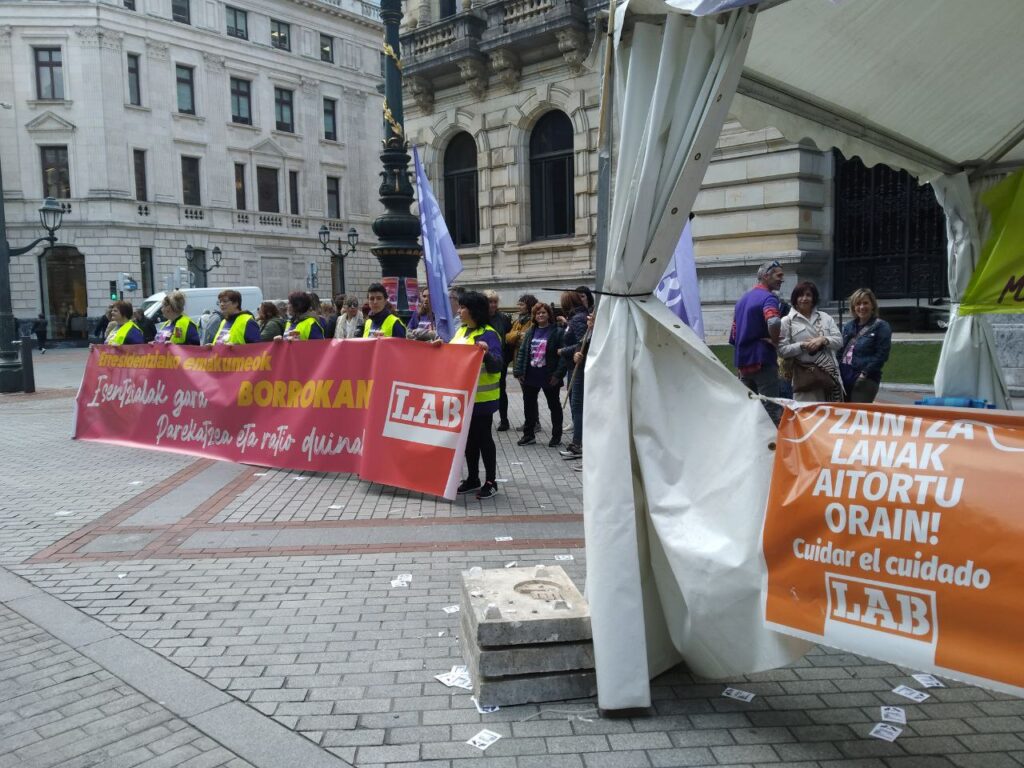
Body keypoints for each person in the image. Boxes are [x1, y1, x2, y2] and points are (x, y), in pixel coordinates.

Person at [434, 291, 503, 500]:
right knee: (469, 440)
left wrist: (487, 354)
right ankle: (473, 478)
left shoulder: (489, 334)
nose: (459, 311)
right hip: (463, 398)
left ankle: (491, 481)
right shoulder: (461, 331)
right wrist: (440, 348)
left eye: (463, 307)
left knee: (484, 439)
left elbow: (497, 365)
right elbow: (452, 358)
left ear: (474, 311)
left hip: (482, 400)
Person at [729, 260, 785, 425]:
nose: (782, 279)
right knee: (771, 410)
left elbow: (734, 335)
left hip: (743, 363)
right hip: (762, 361)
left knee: (748, 411)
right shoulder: (769, 297)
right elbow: (773, 321)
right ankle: (772, 441)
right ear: (766, 276)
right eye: (779, 275)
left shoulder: (742, 300)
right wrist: (775, 340)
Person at [779, 281, 843, 403]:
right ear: (795, 298)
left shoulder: (825, 317)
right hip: (804, 378)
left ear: (814, 298)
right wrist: (802, 345)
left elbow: (839, 341)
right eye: (800, 295)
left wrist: (823, 340)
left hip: (829, 375)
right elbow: (782, 350)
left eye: (808, 295)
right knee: (806, 412)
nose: (804, 298)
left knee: (829, 411)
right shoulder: (787, 321)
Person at [514, 302, 564, 447]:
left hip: (549, 376)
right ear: (534, 316)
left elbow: (563, 357)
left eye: (543, 312)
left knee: (554, 406)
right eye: (537, 313)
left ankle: (556, 436)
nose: (540, 315)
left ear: (549, 314)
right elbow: (523, 352)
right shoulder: (531, 331)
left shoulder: (557, 331)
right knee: (529, 406)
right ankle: (528, 435)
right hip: (530, 375)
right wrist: (519, 371)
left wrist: (558, 375)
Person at [840, 288, 892, 403]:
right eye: (858, 304)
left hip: (864, 379)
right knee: (842, 413)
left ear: (872, 305)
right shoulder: (848, 326)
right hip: (843, 377)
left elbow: (882, 355)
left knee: (858, 412)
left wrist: (864, 374)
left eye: (865, 303)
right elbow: (840, 350)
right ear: (853, 307)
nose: (862, 307)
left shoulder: (881, 326)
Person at [557, 291, 589, 459]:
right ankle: (578, 442)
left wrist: (563, 350)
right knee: (576, 404)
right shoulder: (576, 318)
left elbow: (583, 342)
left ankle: (578, 444)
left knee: (577, 404)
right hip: (573, 366)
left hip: (579, 366)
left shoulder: (578, 319)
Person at [484, 289, 513, 431]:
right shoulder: (480, 318)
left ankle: (504, 420)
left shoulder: (504, 318)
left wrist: (506, 359)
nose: (493, 305)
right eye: (490, 302)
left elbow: (509, 339)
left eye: (495, 302)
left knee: (501, 389)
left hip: (500, 359)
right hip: (483, 359)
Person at [505, 294, 537, 400]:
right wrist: (518, 334)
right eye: (519, 304)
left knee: (530, 396)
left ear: (529, 306)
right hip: (518, 361)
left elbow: (527, 340)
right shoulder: (518, 321)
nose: (519, 307)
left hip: (529, 363)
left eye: (522, 304)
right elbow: (508, 338)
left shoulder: (534, 321)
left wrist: (516, 338)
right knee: (526, 396)